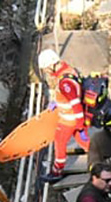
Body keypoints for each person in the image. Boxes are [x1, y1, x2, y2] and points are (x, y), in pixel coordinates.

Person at [37, 49, 89, 182]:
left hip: (68, 120)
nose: (46, 72)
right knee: (84, 142)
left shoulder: (64, 83)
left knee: (59, 144)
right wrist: (57, 101)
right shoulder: (69, 70)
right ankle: (102, 159)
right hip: (74, 119)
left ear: (50, 65)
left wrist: (80, 125)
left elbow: (75, 104)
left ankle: (57, 171)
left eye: (45, 69)